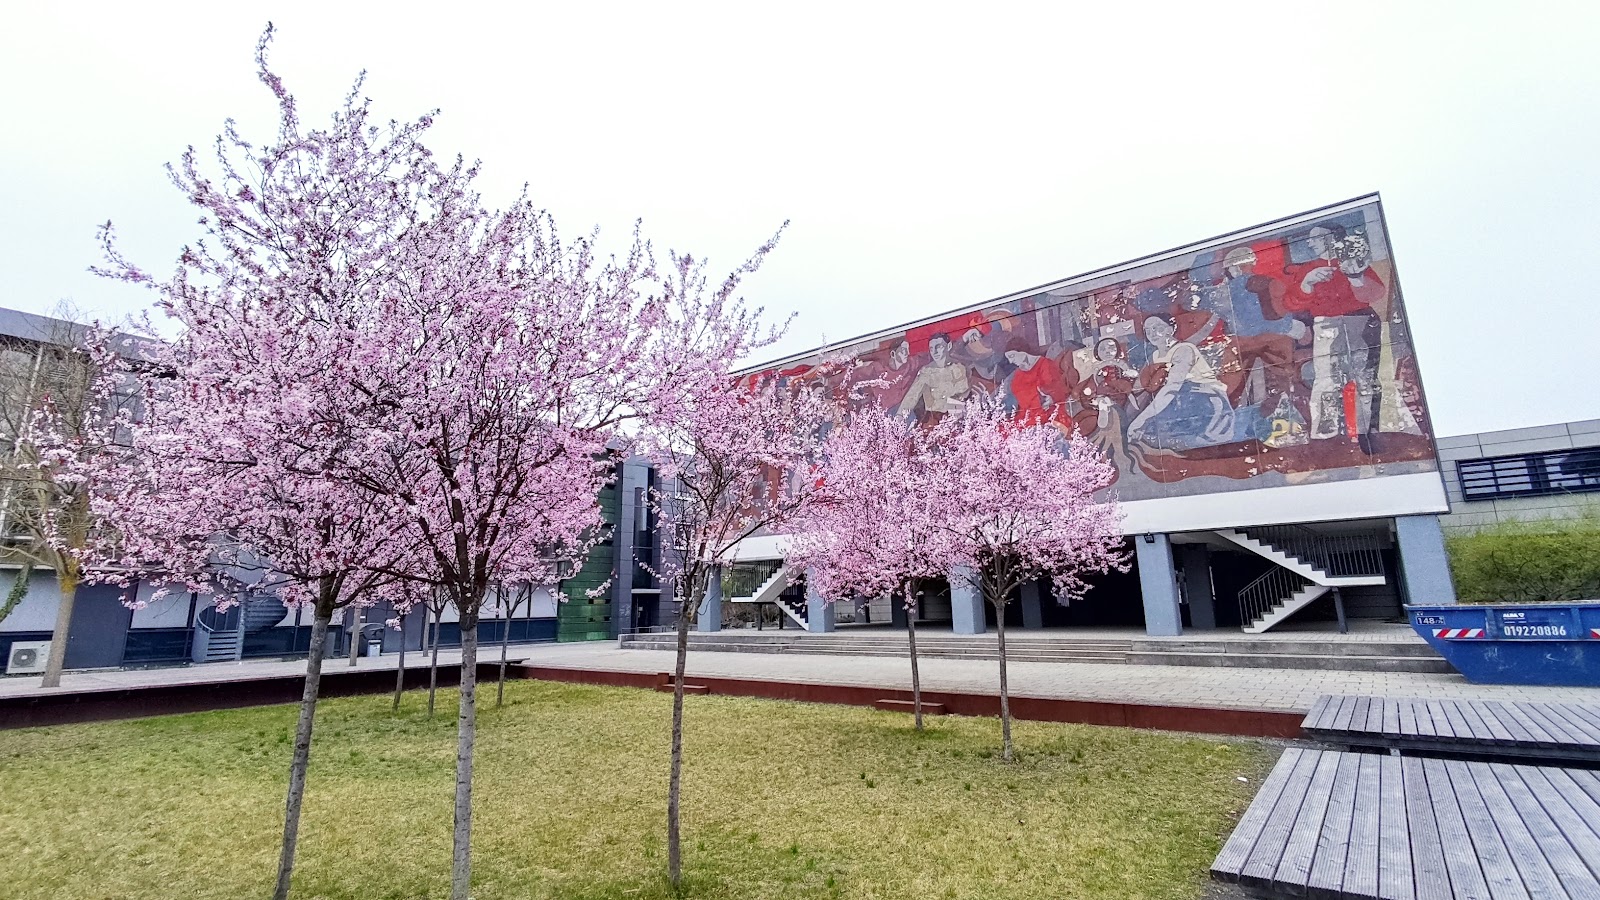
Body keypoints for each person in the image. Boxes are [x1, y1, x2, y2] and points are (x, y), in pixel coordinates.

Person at [1280, 223, 1386, 444]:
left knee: (1365, 379)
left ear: (1331, 238)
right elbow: (1290, 303)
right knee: (1326, 380)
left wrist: (1355, 275)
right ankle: (1326, 434)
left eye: (1315, 238)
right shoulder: (1309, 268)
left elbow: (1376, 293)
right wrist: (1308, 282)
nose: (1310, 243)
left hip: (1361, 321)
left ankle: (1368, 432)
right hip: (1326, 325)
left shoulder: (1352, 261)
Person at [1126, 316, 1235, 448]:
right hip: (1175, 404)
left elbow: (1172, 387)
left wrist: (1142, 419)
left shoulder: (1184, 349)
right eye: (1148, 330)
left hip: (1206, 405)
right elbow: (1140, 388)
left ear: (1170, 329)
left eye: (1157, 327)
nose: (1152, 333)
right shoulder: (1154, 357)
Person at [895, 333, 971, 421]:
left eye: (938, 347)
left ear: (949, 346)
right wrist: (900, 416)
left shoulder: (959, 367)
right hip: (933, 420)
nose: (934, 352)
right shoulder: (926, 371)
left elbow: (964, 394)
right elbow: (912, 396)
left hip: (957, 418)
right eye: (931, 348)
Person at [1002, 335, 1071, 423]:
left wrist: (1051, 397)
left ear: (1021, 350)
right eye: (1008, 359)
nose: (1011, 361)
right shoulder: (1017, 375)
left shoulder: (1044, 364)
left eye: (1012, 356)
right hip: (1027, 418)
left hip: (1048, 415)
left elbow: (1057, 389)